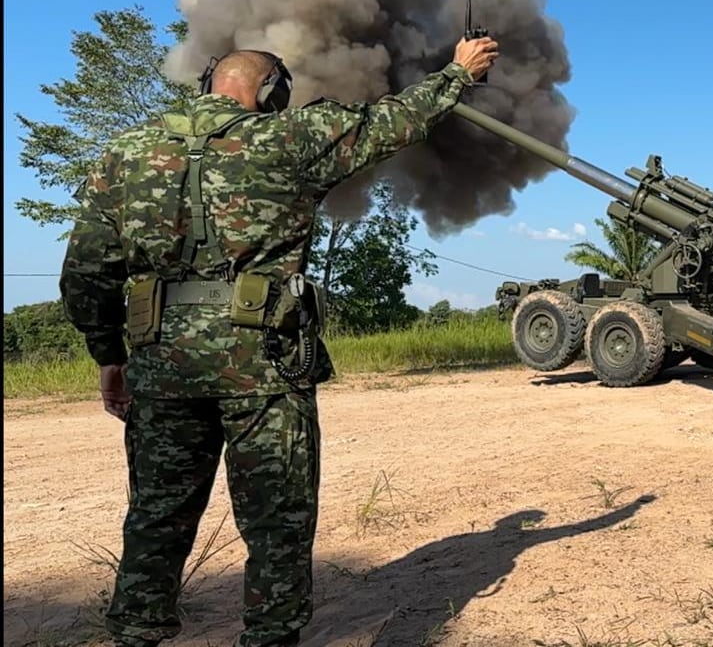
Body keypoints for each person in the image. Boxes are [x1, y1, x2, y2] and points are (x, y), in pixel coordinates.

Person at [58, 35, 500, 647]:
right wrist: (457, 72)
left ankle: (136, 635)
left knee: (157, 515)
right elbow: (395, 121)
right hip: (264, 366)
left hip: (162, 367)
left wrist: (109, 357)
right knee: (276, 522)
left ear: (208, 83)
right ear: (271, 93)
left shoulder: (125, 154)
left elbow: (84, 274)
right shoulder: (290, 138)